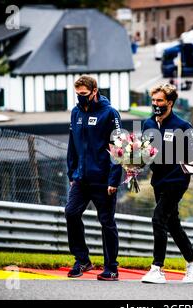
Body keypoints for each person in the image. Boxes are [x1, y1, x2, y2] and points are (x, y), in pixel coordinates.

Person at [141, 83, 193, 284]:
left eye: (160, 101)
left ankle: (157, 268)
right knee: (172, 222)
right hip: (158, 180)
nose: (156, 104)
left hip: (177, 180)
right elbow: (146, 153)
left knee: (158, 218)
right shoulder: (147, 124)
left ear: (170, 102)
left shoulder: (183, 126)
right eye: (153, 101)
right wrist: (133, 164)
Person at [65, 75, 122, 280]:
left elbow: (118, 148)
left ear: (94, 91)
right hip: (80, 178)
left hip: (103, 179)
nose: (81, 98)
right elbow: (73, 145)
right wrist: (72, 172)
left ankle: (111, 268)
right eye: (78, 94)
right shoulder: (76, 112)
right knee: (71, 213)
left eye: (84, 94)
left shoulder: (110, 113)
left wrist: (113, 180)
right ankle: (82, 260)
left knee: (106, 221)